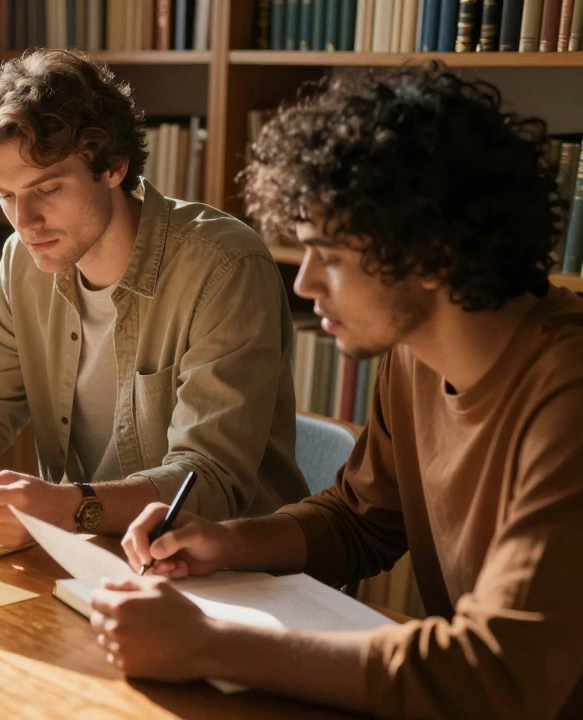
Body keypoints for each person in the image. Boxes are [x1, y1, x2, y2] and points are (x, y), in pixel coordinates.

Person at [95, 64, 583, 719]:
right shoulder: (414, 354)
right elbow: (360, 521)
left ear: (433, 255)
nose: (305, 286)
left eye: (331, 256)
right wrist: (227, 541)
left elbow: (499, 674)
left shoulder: (568, 396)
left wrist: (211, 646)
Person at [0, 49, 307, 546]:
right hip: (90, 555)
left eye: (48, 188)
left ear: (113, 167)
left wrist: (68, 507)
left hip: (228, 569)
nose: (25, 221)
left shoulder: (224, 267)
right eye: (6, 195)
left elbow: (209, 480)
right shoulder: (22, 259)